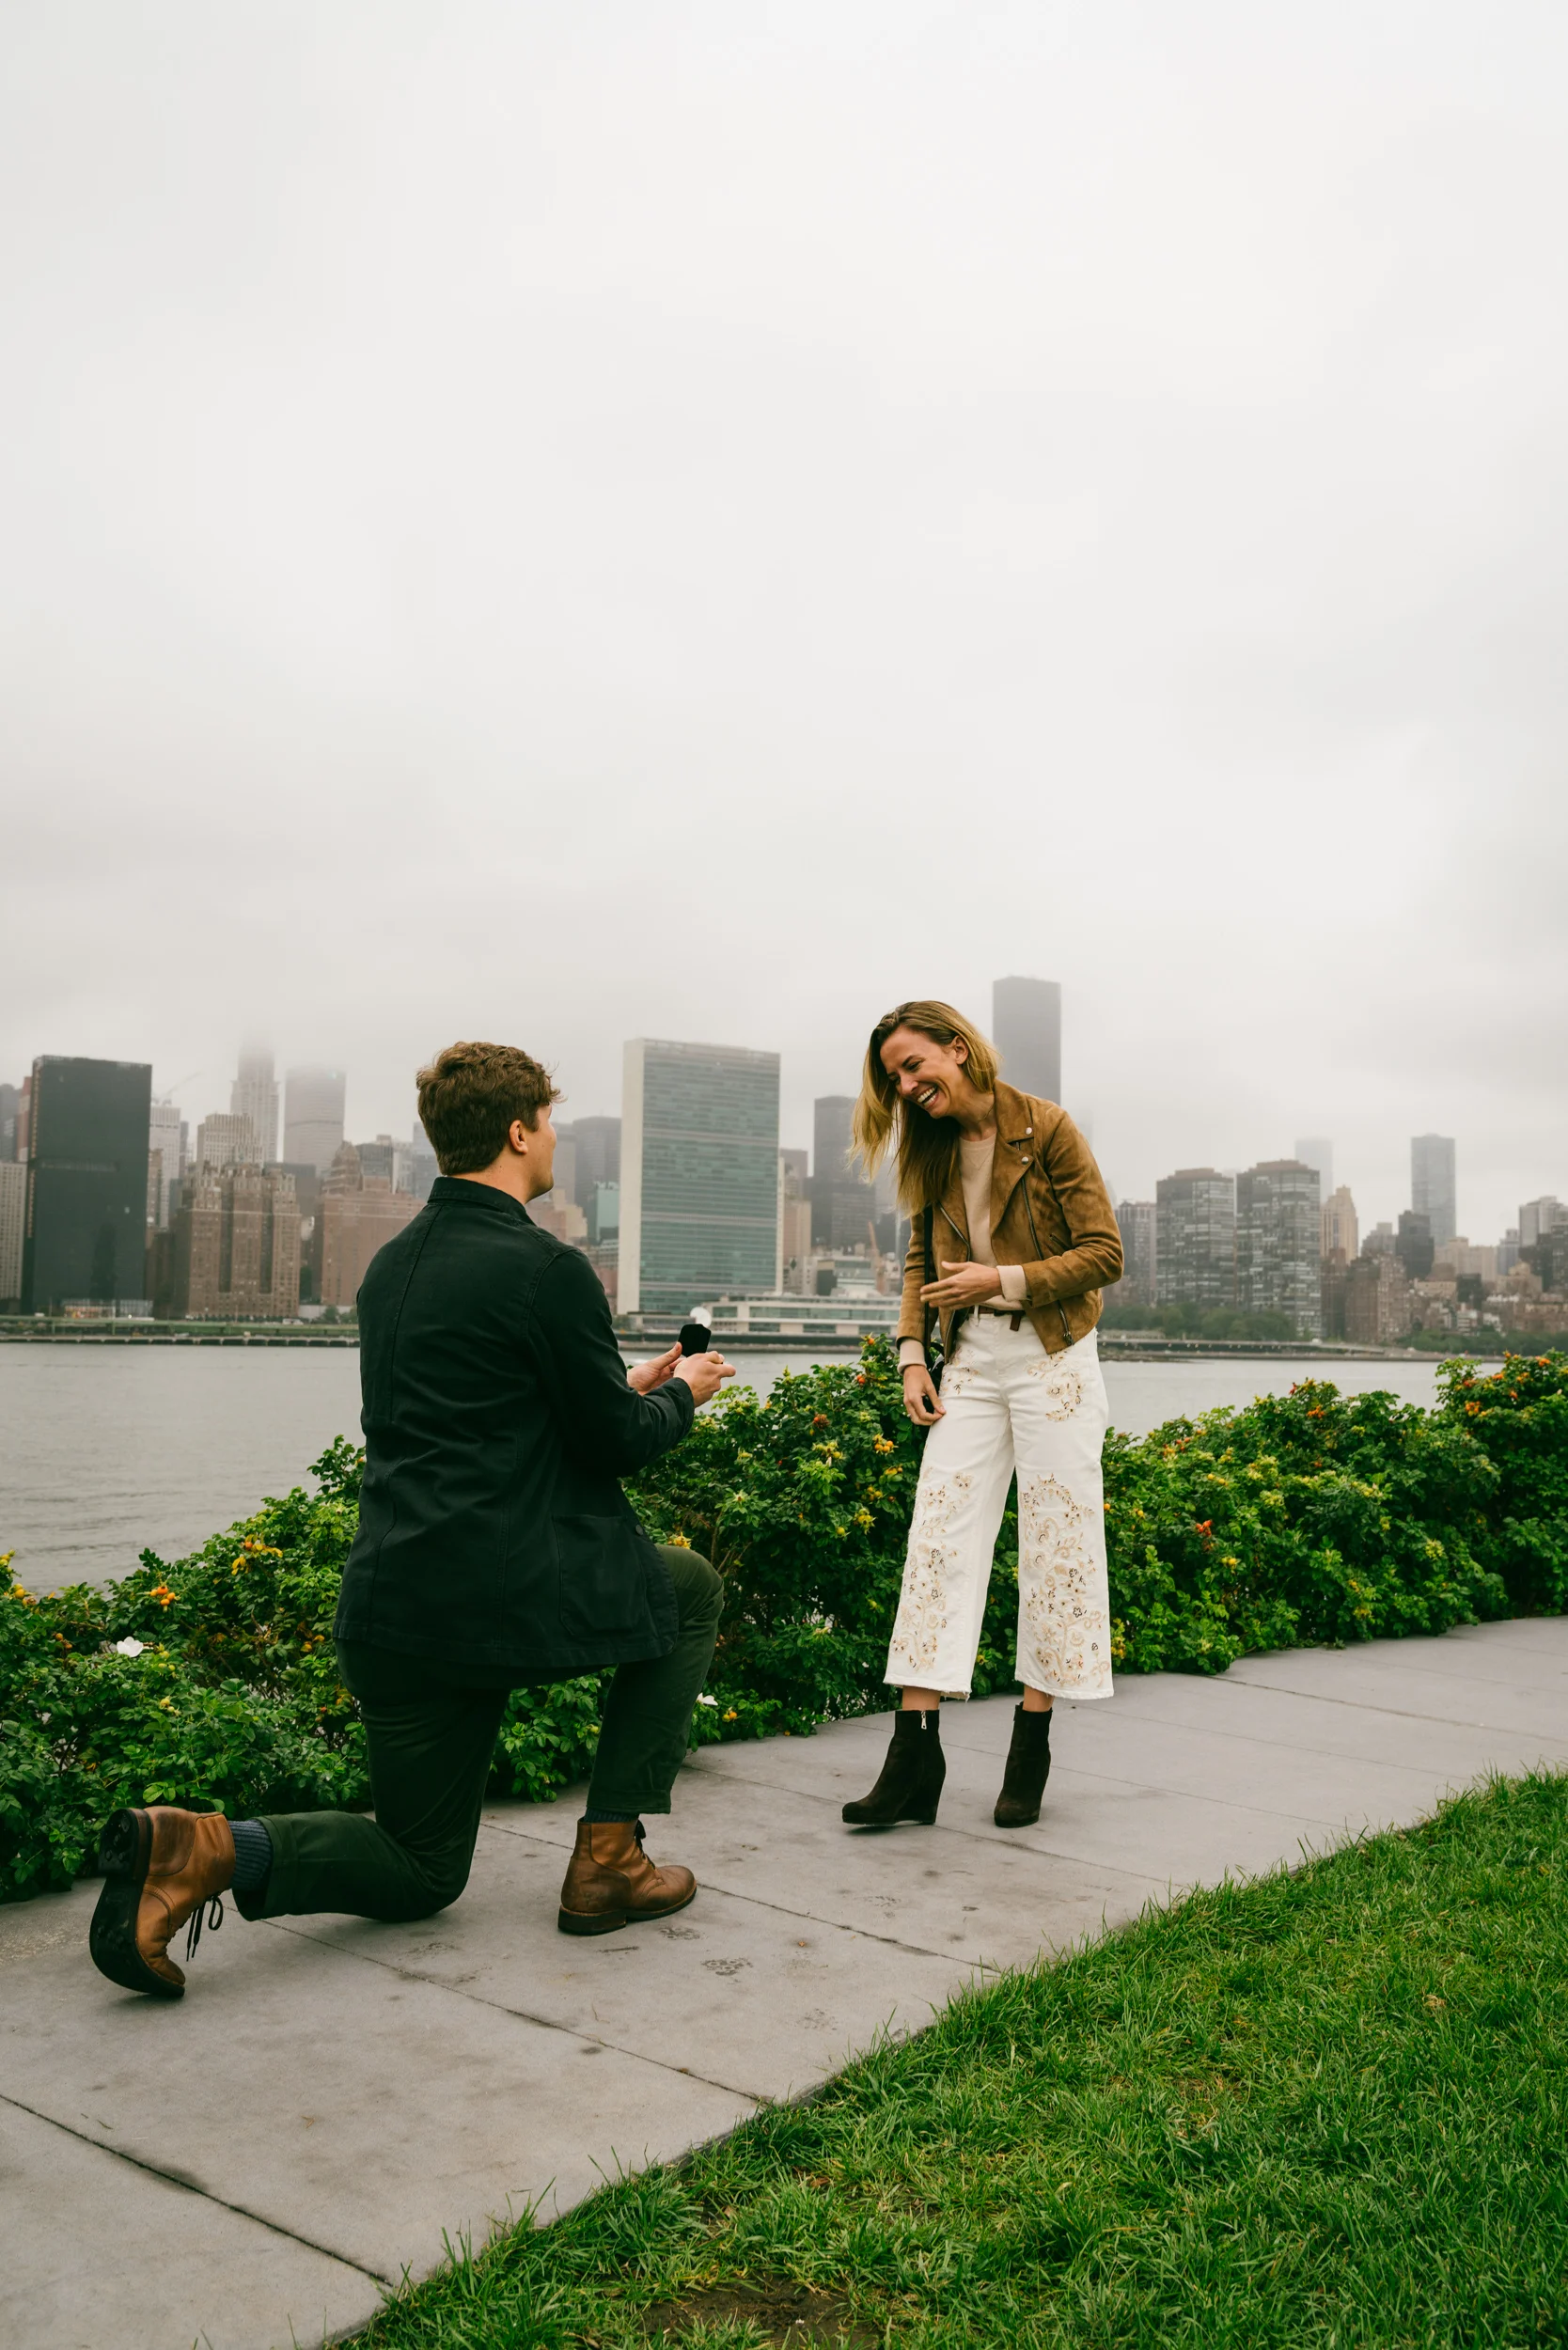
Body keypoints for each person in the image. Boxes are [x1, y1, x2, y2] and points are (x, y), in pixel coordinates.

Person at [90, 1040, 733, 2000]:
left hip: (395, 1602)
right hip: (506, 1595)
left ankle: (206, 1848)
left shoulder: (388, 1266)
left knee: (421, 1866)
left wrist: (621, 1381)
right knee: (690, 1591)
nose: (555, 1138)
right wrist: (681, 1393)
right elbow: (612, 1445)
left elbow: (479, 1415)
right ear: (519, 1132)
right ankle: (610, 1858)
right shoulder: (550, 1266)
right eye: (548, 1121)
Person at [840, 999, 1121, 1834]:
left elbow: (1104, 1252)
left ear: (957, 1049)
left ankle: (1029, 1747)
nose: (905, 1086)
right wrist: (910, 1355)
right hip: (968, 1360)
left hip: (1054, 1357)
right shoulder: (930, 1150)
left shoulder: (1048, 1128)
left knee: (1057, 1545)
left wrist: (1000, 1281)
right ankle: (913, 1759)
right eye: (894, 1077)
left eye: (913, 1065)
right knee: (937, 1540)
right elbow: (919, 1262)